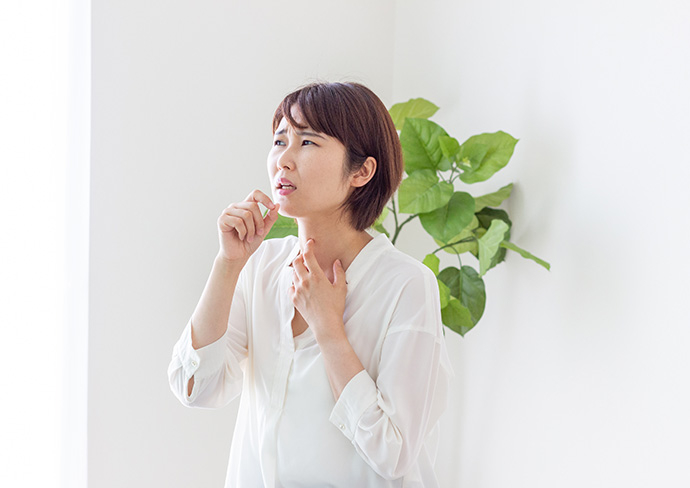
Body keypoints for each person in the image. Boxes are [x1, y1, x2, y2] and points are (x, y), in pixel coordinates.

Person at [168, 81, 453, 487]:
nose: (283, 160)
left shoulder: (406, 285)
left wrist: (329, 329)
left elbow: (393, 453)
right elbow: (194, 387)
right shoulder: (261, 265)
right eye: (279, 140)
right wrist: (228, 264)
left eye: (307, 142)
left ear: (362, 171)